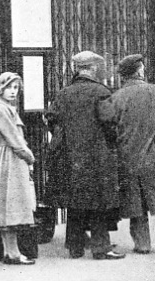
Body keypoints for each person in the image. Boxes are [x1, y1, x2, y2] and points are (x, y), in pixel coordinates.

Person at [45, 51, 125, 260]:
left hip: (71, 158)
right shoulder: (100, 91)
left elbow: (52, 119)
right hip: (97, 157)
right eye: (96, 67)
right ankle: (101, 247)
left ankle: (75, 247)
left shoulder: (63, 94)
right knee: (98, 203)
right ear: (91, 68)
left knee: (75, 202)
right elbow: (110, 122)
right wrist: (109, 143)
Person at [99, 54, 155, 255]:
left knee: (136, 203)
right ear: (140, 71)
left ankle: (142, 244)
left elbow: (105, 124)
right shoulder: (153, 91)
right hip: (153, 154)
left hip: (128, 156)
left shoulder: (116, 97)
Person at [0, 72, 36, 265]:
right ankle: (13, 253)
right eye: (9, 87)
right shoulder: (1, 109)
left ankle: (11, 252)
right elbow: (14, 139)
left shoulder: (6, 108)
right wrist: (29, 156)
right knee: (11, 206)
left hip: (11, 158)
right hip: (11, 158)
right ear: (1, 88)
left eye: (16, 88)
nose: (13, 91)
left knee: (10, 206)